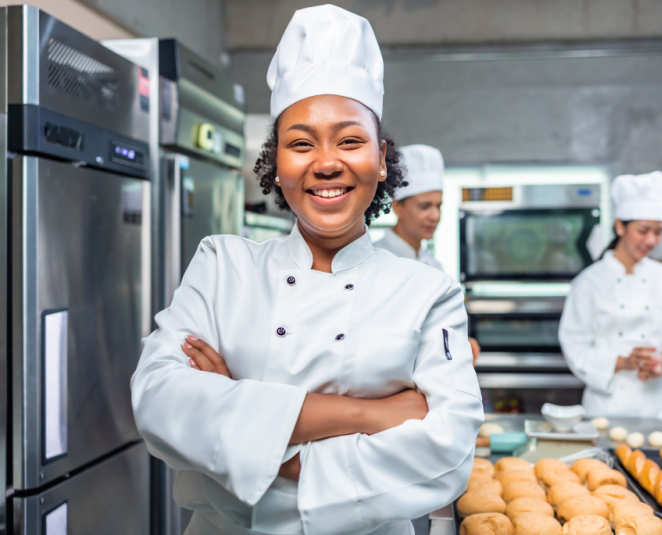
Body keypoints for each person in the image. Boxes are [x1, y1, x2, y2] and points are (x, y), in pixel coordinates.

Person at [130, 6, 483, 535]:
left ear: (381, 159)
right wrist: (368, 415)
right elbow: (159, 399)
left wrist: (251, 436)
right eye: (300, 143)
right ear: (277, 162)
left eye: (349, 140)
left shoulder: (428, 291)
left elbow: (449, 451)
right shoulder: (223, 264)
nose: (326, 162)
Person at [558, 171, 662, 419]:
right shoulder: (587, 283)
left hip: (661, 409)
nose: (651, 240)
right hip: (606, 409)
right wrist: (624, 361)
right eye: (643, 230)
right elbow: (575, 348)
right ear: (619, 226)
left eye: (658, 231)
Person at [374, 144, 482, 364]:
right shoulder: (376, 262)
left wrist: (461, 342)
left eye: (438, 206)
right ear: (398, 208)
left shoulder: (433, 265)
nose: (434, 216)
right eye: (424, 206)